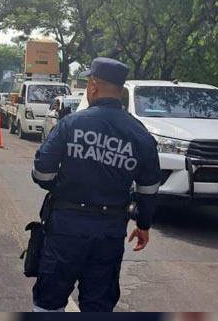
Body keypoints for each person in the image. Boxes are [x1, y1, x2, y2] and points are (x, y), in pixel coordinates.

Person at [30, 57, 161, 312]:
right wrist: (143, 224)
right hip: (109, 231)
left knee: (49, 298)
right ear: (121, 91)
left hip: (66, 227)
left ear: (93, 86)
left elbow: (41, 173)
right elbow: (149, 188)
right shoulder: (140, 134)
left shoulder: (71, 124)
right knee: (99, 303)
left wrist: (64, 187)